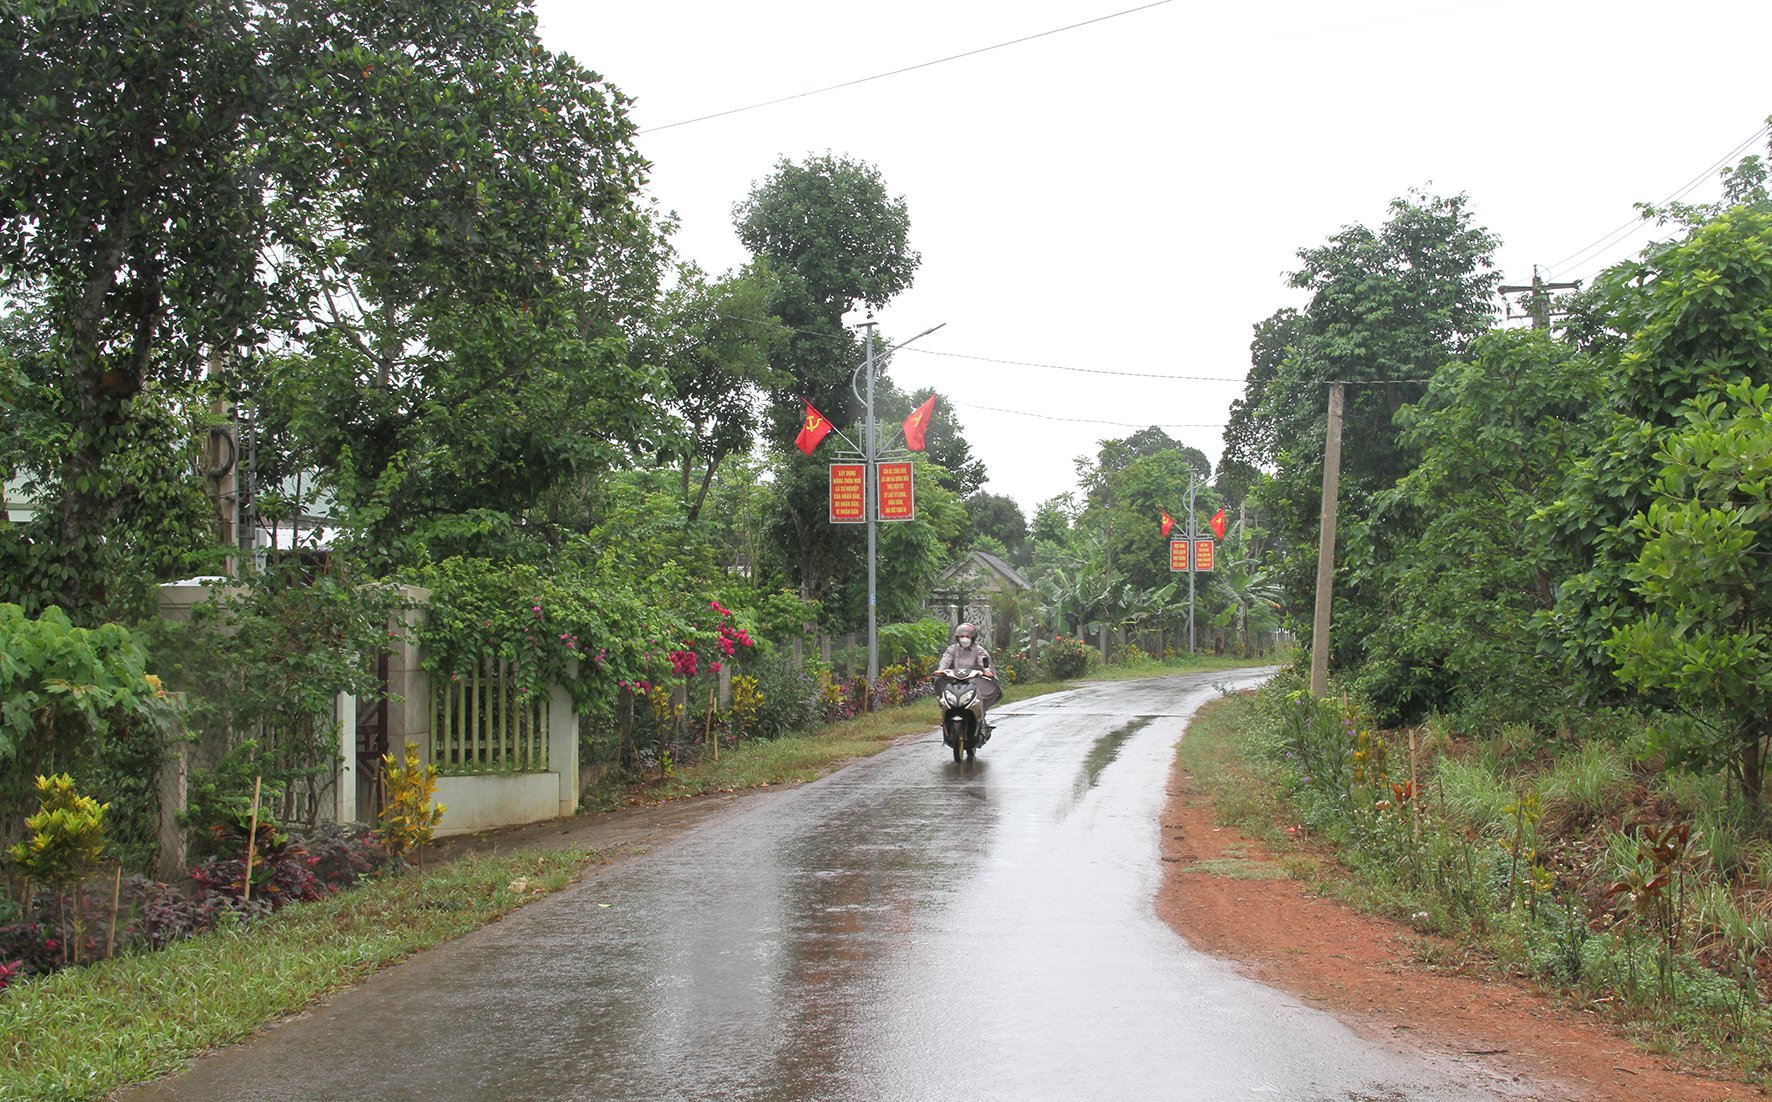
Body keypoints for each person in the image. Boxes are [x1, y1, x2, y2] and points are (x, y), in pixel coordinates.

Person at [937, 622, 997, 732]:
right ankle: (947, 718)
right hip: (955, 681)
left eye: (968, 636)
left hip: (974, 682)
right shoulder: (952, 649)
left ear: (973, 638)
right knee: (944, 696)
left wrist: (987, 671)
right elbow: (946, 659)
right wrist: (941, 669)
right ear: (957, 637)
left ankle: (981, 721)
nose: (964, 639)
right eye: (962, 636)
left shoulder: (979, 650)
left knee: (979, 698)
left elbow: (983, 661)